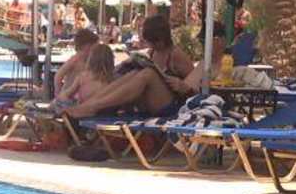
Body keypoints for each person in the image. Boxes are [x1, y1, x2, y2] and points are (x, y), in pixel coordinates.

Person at [63, 15, 196, 119]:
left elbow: (197, 95)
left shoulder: (176, 55)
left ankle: (94, 106)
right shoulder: (153, 52)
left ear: (162, 39)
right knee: (133, 73)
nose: (150, 45)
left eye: (153, 42)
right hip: (151, 103)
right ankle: (89, 105)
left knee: (148, 74)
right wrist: (125, 64)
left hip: (174, 108)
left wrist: (183, 86)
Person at [53, 28, 99, 98]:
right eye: (94, 47)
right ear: (87, 46)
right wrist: (58, 94)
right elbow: (58, 76)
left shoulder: (88, 60)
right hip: (70, 95)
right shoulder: (75, 60)